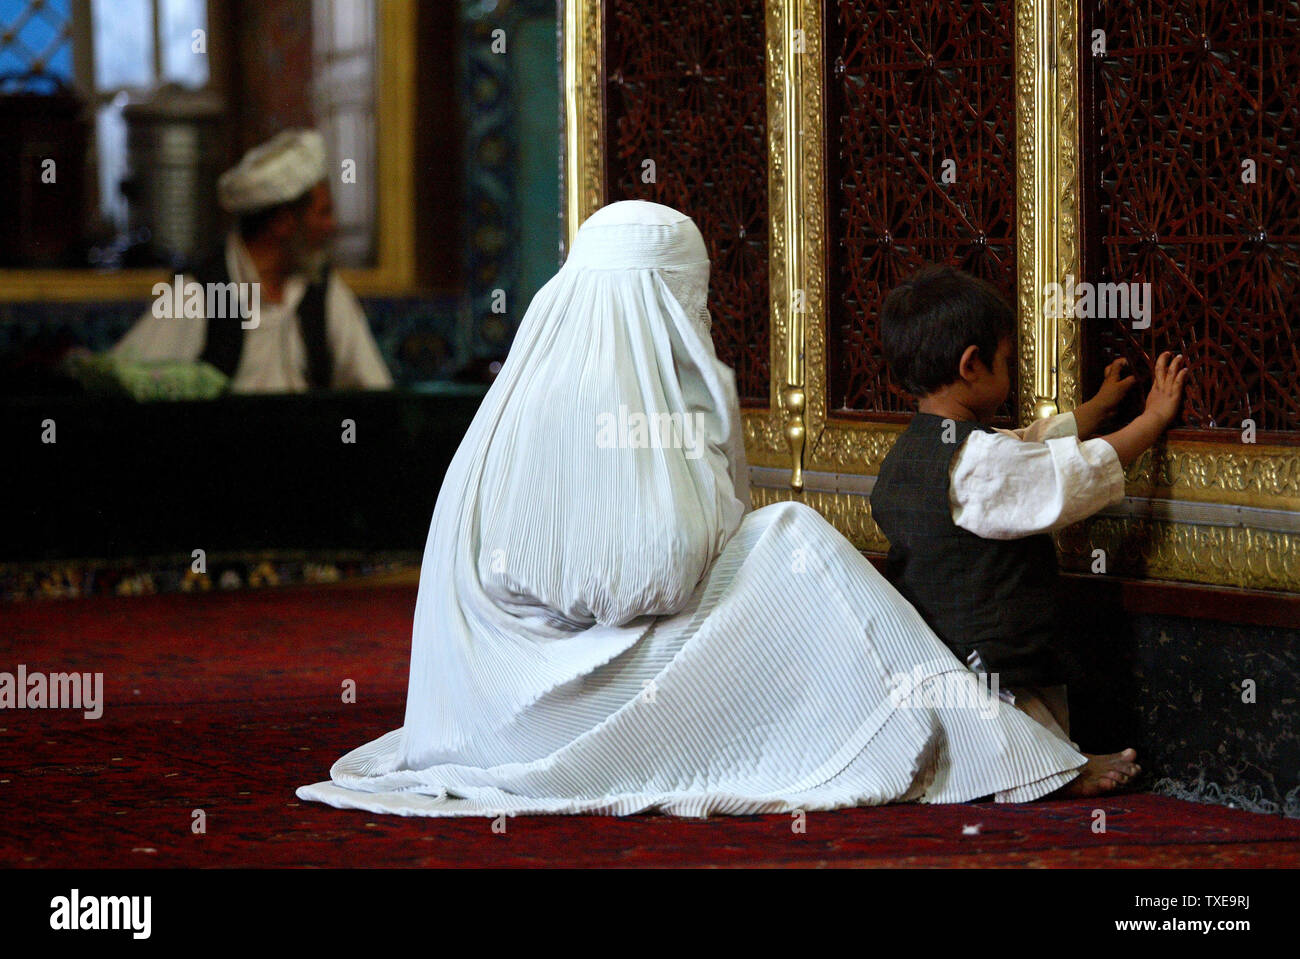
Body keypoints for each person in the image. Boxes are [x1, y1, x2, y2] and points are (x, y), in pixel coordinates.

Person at [297, 201, 1115, 820]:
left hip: (507, 697)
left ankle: (981, 733)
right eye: (690, 302)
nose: (700, 324)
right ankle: (1003, 750)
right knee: (789, 540)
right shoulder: (587, 401)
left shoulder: (541, 384)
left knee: (779, 549)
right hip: (541, 705)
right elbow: (641, 583)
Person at [870, 264, 1188, 787]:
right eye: (1007, 360)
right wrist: (1150, 421)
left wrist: (1097, 408)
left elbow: (1024, 443)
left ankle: (1058, 762)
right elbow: (1068, 473)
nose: (1012, 371)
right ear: (973, 364)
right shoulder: (977, 460)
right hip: (988, 652)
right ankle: (1061, 773)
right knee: (1017, 725)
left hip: (937, 647)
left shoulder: (917, 449)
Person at [111, 129, 393, 392]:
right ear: (283, 223)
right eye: (323, 213)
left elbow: (373, 386)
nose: (331, 226)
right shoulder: (200, 293)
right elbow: (124, 382)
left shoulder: (322, 289)